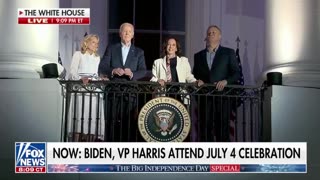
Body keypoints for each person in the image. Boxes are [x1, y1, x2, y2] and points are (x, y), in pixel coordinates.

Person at [98, 22, 147, 142]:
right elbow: (102, 67)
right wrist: (113, 70)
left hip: (130, 93)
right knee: (111, 123)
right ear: (120, 34)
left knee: (129, 124)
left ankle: (126, 153)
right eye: (124, 31)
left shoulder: (139, 52)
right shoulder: (111, 48)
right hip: (113, 92)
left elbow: (143, 71)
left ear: (133, 35)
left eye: (129, 32)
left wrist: (132, 74)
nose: (127, 33)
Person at [193, 25, 240, 142]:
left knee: (222, 129)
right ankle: (205, 157)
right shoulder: (198, 56)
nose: (211, 34)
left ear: (220, 36)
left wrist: (226, 81)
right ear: (206, 37)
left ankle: (222, 158)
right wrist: (197, 81)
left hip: (223, 97)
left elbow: (236, 73)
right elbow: (194, 75)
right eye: (209, 33)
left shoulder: (228, 52)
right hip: (205, 97)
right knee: (205, 128)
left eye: (214, 32)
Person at [68, 34, 107, 141]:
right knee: (79, 115)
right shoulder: (78, 54)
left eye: (97, 43)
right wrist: (81, 79)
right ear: (87, 42)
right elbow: (72, 72)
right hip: (81, 89)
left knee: (93, 116)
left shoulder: (97, 57)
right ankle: (75, 145)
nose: (96, 45)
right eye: (93, 42)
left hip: (94, 89)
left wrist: (101, 78)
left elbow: (94, 74)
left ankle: (89, 146)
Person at [150, 37, 203, 103]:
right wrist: (158, 80)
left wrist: (196, 82)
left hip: (180, 96)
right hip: (163, 96)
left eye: (173, 45)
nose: (171, 47)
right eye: (168, 44)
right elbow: (153, 79)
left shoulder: (184, 61)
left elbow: (189, 76)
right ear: (165, 47)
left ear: (176, 48)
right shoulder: (157, 62)